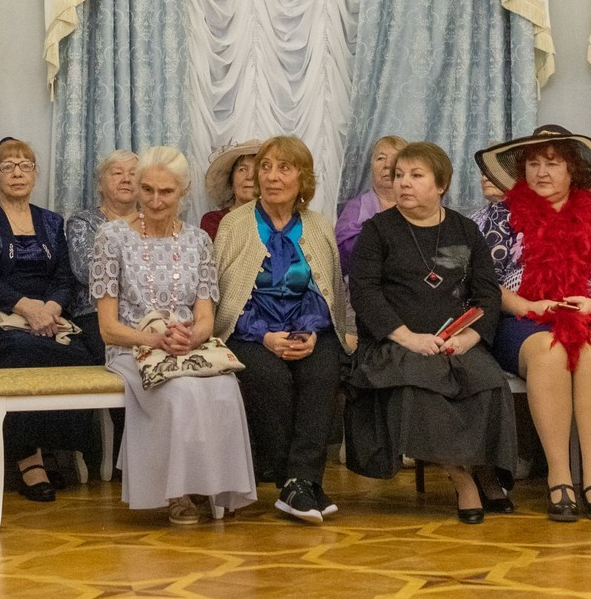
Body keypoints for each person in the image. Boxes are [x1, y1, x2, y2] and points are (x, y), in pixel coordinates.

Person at [344, 141, 518, 521]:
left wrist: (469, 338)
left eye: (416, 175)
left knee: (487, 379)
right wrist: (408, 337)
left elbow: (487, 293)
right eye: (399, 175)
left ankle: (486, 470)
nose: (403, 183)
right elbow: (365, 293)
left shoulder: (465, 230)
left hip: (456, 339)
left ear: (441, 185)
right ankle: (461, 479)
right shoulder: (377, 230)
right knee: (423, 379)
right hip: (395, 342)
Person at [477, 127, 591, 523]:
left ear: (573, 170)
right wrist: (529, 305)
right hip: (520, 318)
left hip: (587, 314)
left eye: (552, 163)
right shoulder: (502, 215)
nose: (541, 172)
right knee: (549, 351)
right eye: (533, 164)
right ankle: (560, 477)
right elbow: (484, 284)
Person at [90, 147, 256, 524]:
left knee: (225, 389)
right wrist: (155, 340)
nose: (155, 200)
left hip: (186, 345)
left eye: (166, 192)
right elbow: (107, 328)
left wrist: (191, 339)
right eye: (147, 190)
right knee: (179, 393)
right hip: (132, 348)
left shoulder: (198, 241)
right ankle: (176, 492)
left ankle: (216, 486)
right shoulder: (112, 237)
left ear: (184, 191)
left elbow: (205, 318)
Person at [0, 137, 105, 502]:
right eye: (8, 166)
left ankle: (50, 446)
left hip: (47, 318)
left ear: (36, 174)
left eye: (25, 165)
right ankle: (29, 458)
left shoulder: (52, 221)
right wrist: (28, 309)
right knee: (22, 350)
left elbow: (65, 278)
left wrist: (50, 309)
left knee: (85, 354)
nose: (17, 173)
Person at [212, 135, 348, 524]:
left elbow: (326, 290)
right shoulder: (235, 224)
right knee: (269, 377)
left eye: (284, 168)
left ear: (302, 178)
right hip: (250, 332)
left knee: (323, 371)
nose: (272, 177)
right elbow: (225, 295)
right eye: (266, 168)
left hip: (307, 331)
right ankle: (299, 482)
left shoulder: (318, 226)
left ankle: (298, 483)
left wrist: (308, 331)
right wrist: (266, 336)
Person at [66, 149, 140, 306]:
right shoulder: (83, 222)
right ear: (100, 184)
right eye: (117, 173)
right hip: (95, 310)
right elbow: (88, 272)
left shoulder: (152, 222)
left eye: (134, 174)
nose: (126, 179)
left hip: (148, 309)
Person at [333, 135, 410, 269]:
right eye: (380, 158)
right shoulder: (355, 208)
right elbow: (340, 255)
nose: (387, 165)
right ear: (371, 166)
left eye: (396, 158)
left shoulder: (417, 206)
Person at [199, 141, 264, 241]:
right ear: (231, 179)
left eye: (257, 170)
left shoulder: (275, 221)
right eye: (242, 169)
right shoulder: (214, 220)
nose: (250, 176)